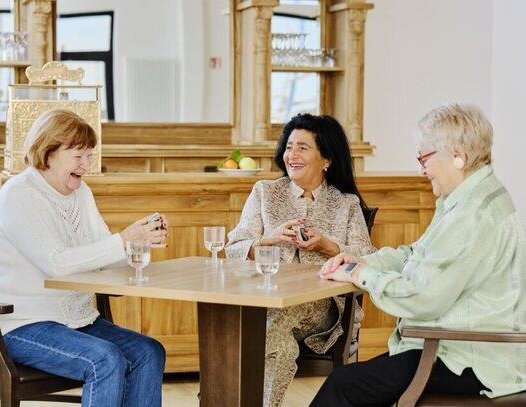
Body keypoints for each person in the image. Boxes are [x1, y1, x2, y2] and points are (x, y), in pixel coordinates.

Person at [312, 103, 526, 406]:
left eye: (425, 157)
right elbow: (416, 253)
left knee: (343, 385)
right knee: (355, 382)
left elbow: (420, 298)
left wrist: (361, 276)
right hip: (458, 348)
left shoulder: (471, 215)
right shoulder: (469, 199)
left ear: (457, 156)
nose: (421, 169)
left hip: (471, 359)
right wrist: (362, 261)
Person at [0, 109, 167, 407]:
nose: (86, 165)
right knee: (104, 360)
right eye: (78, 155)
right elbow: (55, 263)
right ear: (49, 151)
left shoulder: (81, 194)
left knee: (149, 351)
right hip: (16, 324)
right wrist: (123, 240)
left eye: (90, 156)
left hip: (75, 320)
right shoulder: (19, 193)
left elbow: (104, 257)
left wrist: (140, 243)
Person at [225, 113, 375, 407]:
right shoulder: (265, 193)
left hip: (323, 307)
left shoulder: (346, 203)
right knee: (232, 329)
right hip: (263, 300)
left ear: (326, 159)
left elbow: (368, 259)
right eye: (289, 146)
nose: (291, 155)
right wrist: (270, 238)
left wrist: (328, 246)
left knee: (274, 327)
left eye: (303, 148)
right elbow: (234, 248)